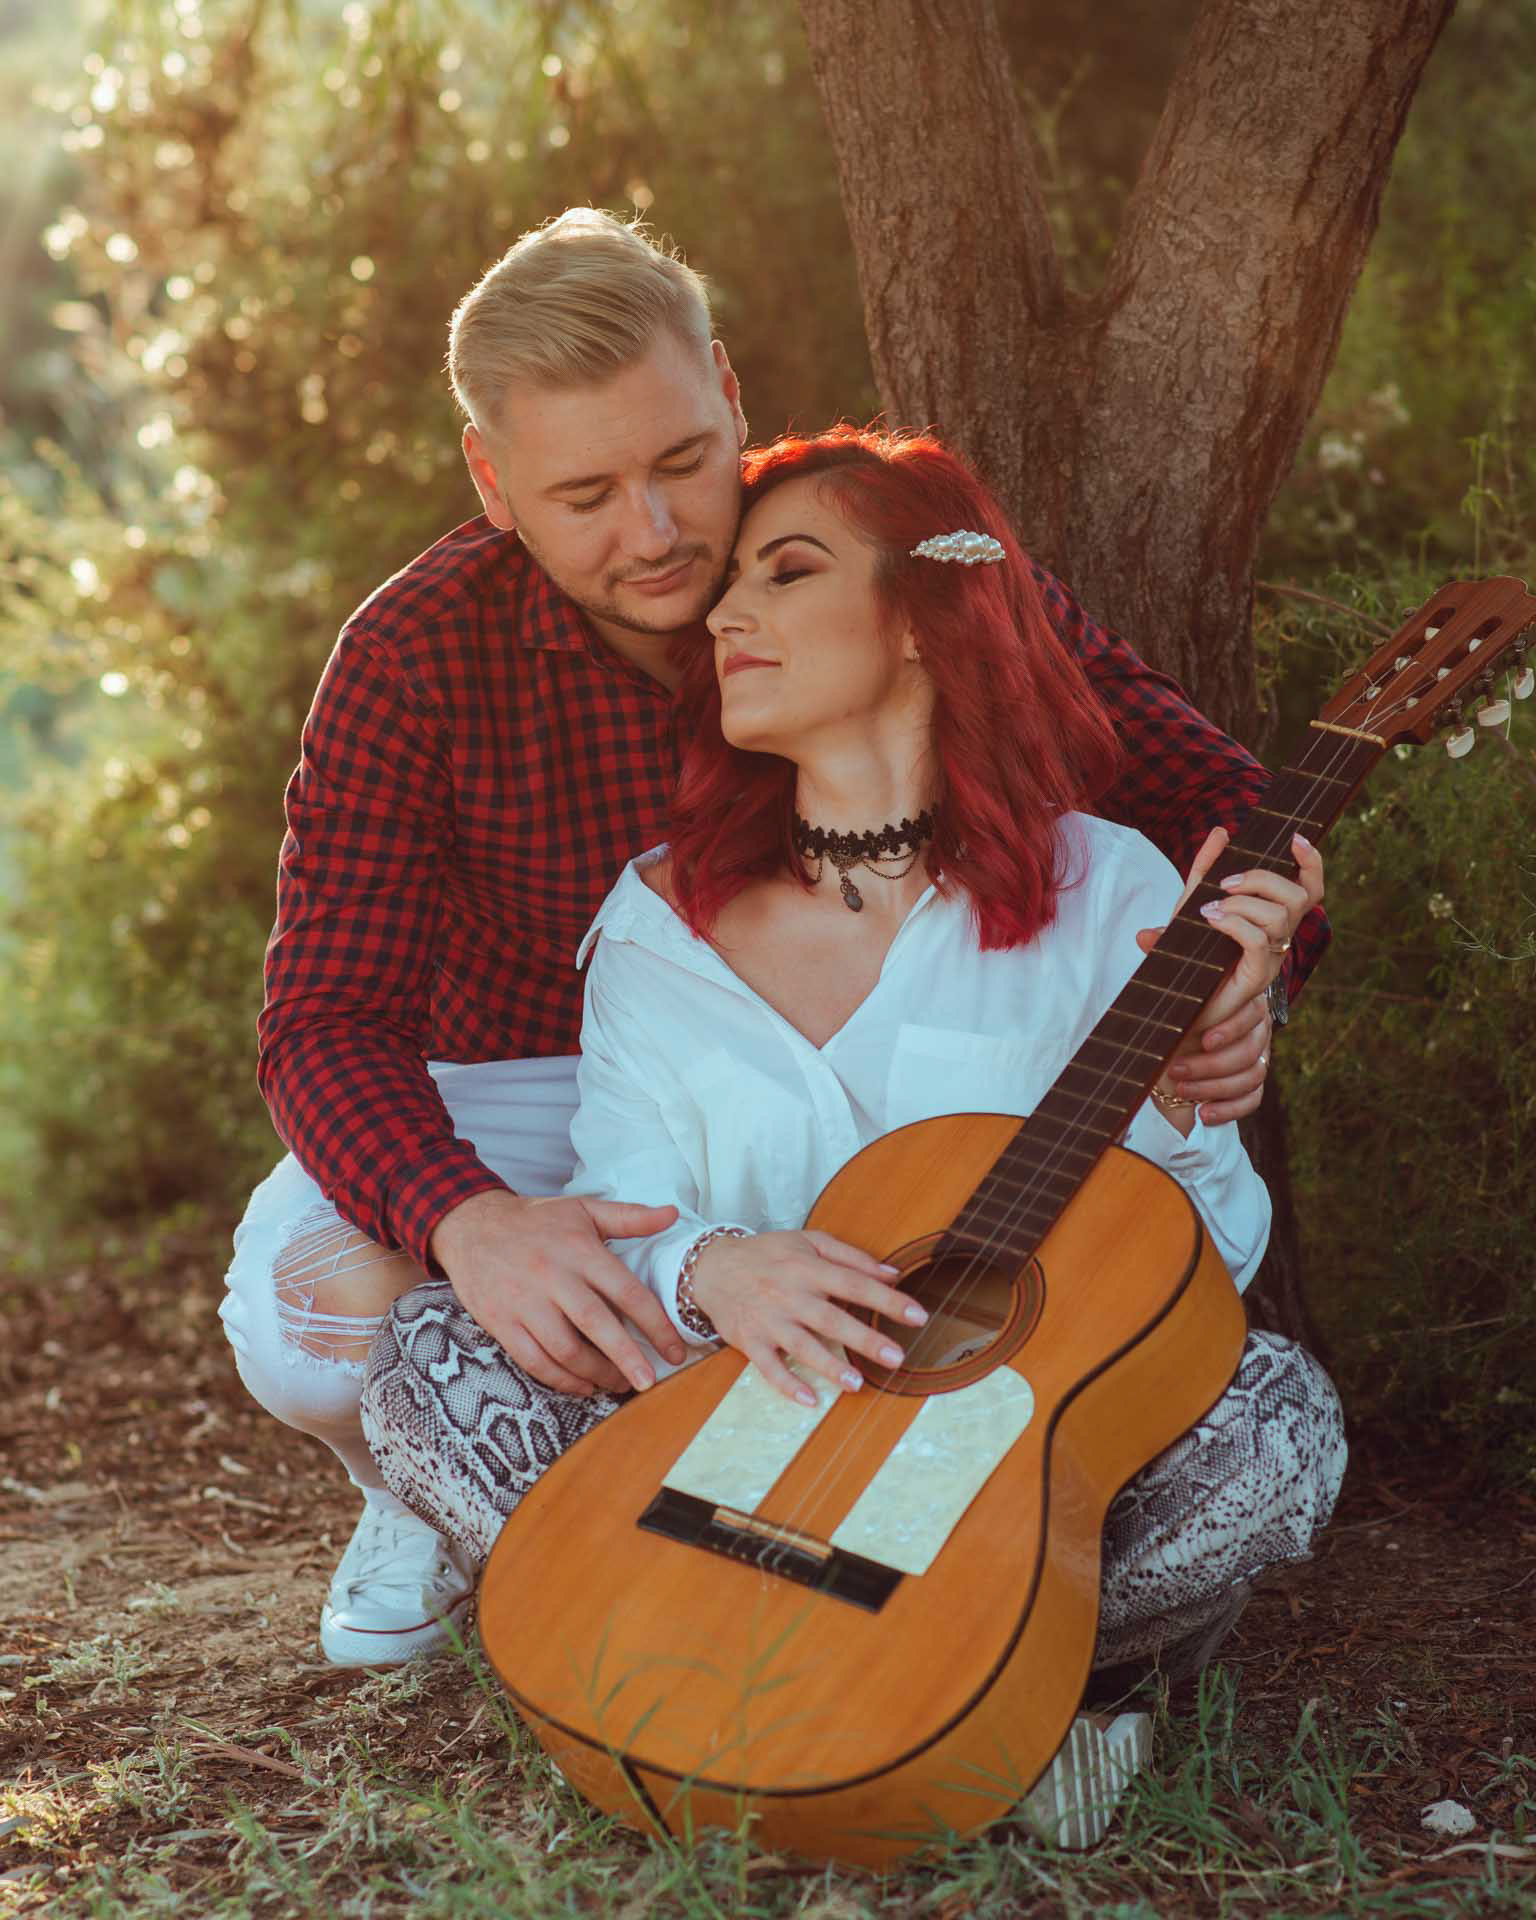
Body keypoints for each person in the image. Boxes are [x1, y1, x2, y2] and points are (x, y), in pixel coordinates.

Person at [218, 208, 1328, 1668]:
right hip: (542, 1082)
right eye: (588, 494)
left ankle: (979, 1610)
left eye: (684, 463)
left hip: (892, 1087)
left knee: (1206, 1395)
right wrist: (470, 1226)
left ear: (730, 395)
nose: (660, 535)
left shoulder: (883, 549)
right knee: (314, 1316)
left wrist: (1245, 982)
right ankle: (459, 1507)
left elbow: (1228, 810)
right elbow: (323, 1019)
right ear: (493, 482)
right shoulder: (413, 654)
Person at [358, 425, 1346, 1848]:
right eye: (732, 586)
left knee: (1275, 1425)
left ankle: (1018, 1666)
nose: (727, 614)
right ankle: (692, 1636)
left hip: (996, 1480)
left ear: (924, 622)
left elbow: (1201, 1269)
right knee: (429, 1361)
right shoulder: (659, 919)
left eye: (788, 572)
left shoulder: (1110, 891)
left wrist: (1186, 1097)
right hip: (720, 1438)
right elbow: (620, 1216)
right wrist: (720, 1272)